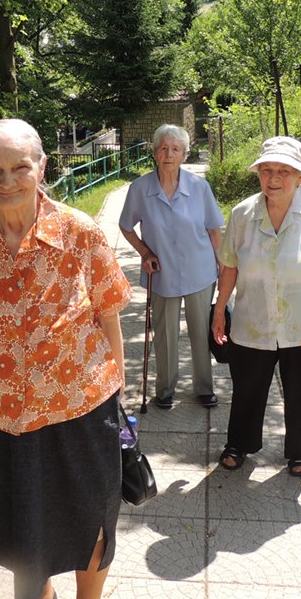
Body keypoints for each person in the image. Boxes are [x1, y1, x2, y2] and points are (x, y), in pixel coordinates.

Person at [0, 118, 131, 599]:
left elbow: (109, 315)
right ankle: (40, 597)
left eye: (20, 167)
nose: (8, 181)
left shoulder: (80, 232)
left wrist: (117, 397)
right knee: (18, 524)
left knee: (91, 518)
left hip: (79, 407)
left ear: (42, 167)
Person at [210, 136, 301, 477]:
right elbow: (229, 266)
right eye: (267, 170)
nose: (273, 178)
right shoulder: (242, 213)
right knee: (247, 386)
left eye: (284, 171)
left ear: (300, 176)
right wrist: (219, 307)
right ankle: (239, 443)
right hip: (253, 318)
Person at [119, 124, 224, 409]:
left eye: (175, 149)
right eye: (163, 148)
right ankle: (165, 390)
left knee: (201, 332)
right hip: (162, 274)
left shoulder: (199, 187)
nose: (169, 154)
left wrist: (223, 266)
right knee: (165, 335)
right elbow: (126, 226)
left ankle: (204, 388)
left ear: (185, 154)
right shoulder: (140, 189)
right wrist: (144, 252)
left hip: (200, 271)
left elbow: (214, 230)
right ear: (154, 153)